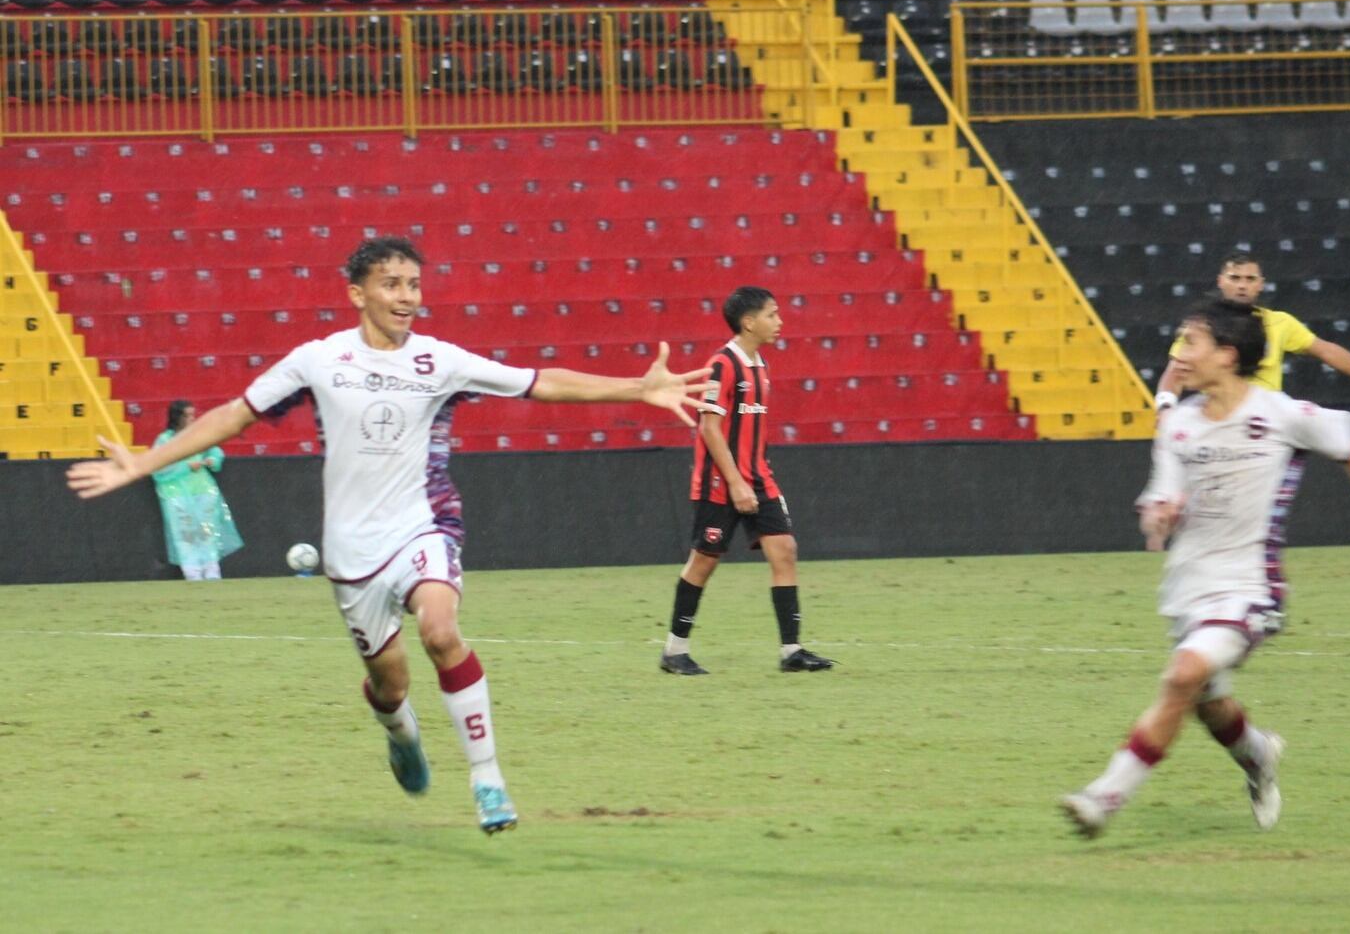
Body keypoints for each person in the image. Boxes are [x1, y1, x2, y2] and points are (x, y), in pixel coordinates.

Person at [68, 235, 711, 835]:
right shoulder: (318, 361)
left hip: (422, 525)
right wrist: (145, 461)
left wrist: (636, 388)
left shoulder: (441, 360)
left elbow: (540, 384)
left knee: (440, 630)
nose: (407, 296)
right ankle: (400, 734)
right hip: (351, 552)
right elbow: (234, 416)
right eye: (392, 284)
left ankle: (488, 778)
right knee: (391, 685)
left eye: (413, 284)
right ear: (358, 293)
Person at [1061, 297, 1350, 839]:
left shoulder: (1281, 414)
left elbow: (1349, 445)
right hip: (1188, 588)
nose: (1179, 355)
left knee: (1182, 675)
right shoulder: (1178, 425)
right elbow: (1158, 508)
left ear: (1226, 355)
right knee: (1207, 703)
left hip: (1251, 588)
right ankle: (1258, 754)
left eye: (1191, 343)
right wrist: (1159, 517)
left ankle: (1103, 797)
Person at [660, 286, 834, 676]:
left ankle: (792, 651)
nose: (780, 321)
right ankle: (674, 651)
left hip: (759, 478)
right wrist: (736, 482)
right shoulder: (722, 365)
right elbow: (710, 428)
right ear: (748, 321)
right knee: (704, 562)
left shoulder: (760, 365)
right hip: (721, 483)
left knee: (785, 550)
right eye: (772, 314)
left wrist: (753, 477)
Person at [1154, 251, 1350, 410]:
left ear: (1261, 285)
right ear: (1221, 281)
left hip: (1268, 420)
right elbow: (1175, 370)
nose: (1242, 285)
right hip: (1218, 416)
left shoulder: (1280, 322)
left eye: (1250, 279)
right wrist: (1165, 405)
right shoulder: (1200, 327)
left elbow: (1326, 351)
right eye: (1235, 278)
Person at [151, 399, 242, 581]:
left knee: (208, 532)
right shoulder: (165, 440)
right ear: (177, 417)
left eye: (193, 414)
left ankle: (212, 571)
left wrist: (212, 460)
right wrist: (185, 466)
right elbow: (158, 467)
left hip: (203, 489)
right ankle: (192, 572)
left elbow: (215, 451)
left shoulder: (199, 435)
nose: (192, 419)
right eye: (188, 415)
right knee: (185, 533)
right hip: (176, 493)